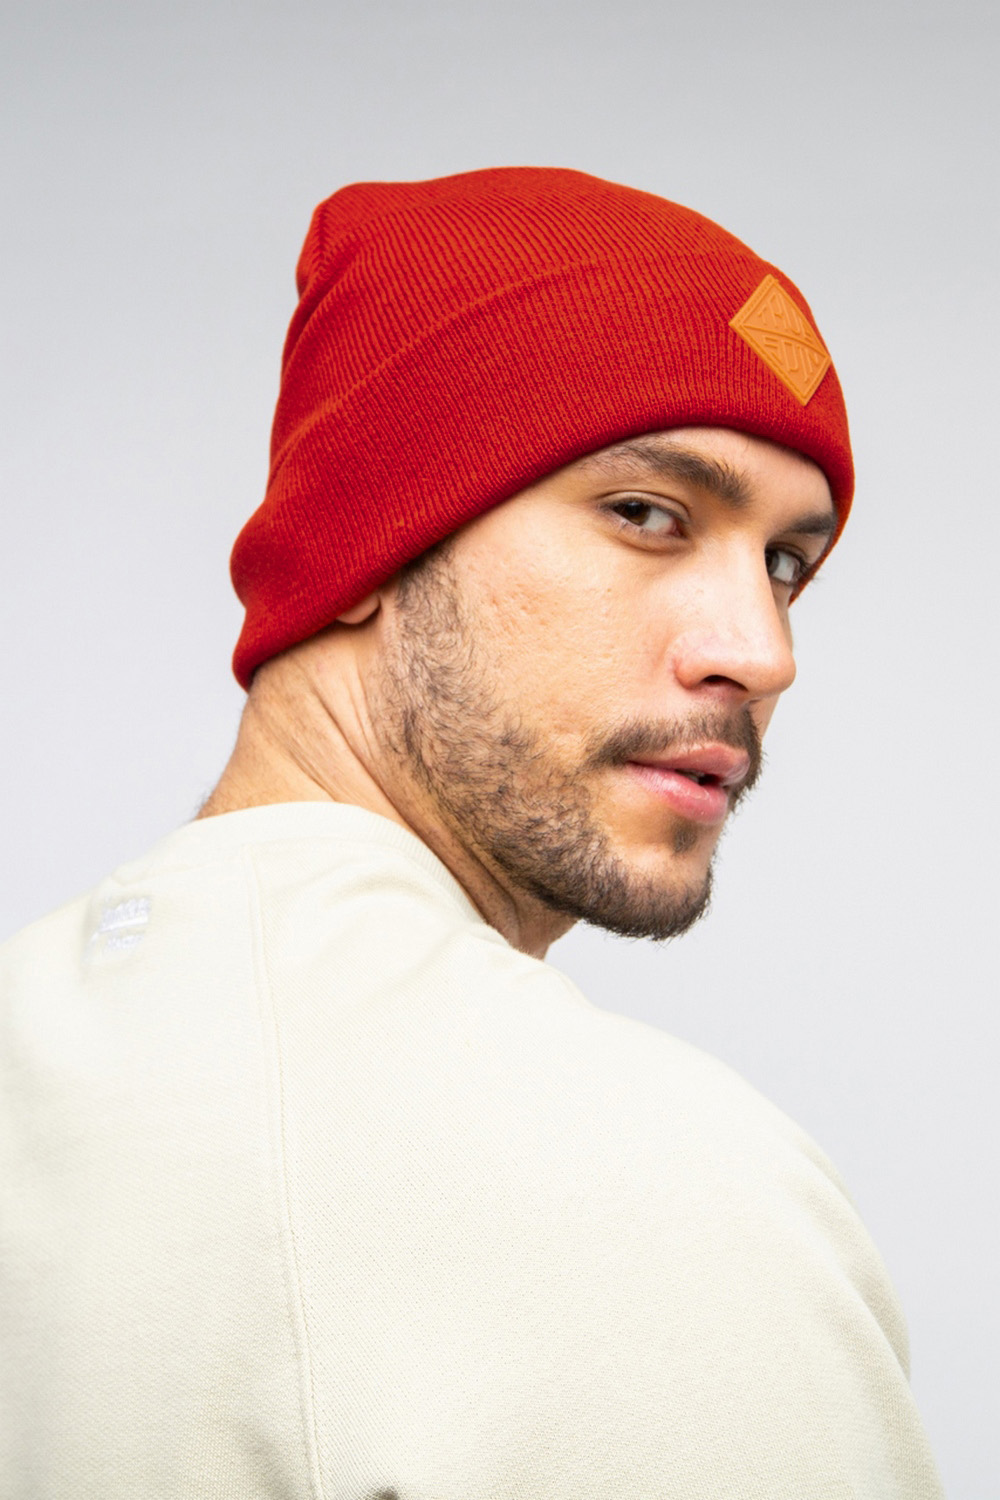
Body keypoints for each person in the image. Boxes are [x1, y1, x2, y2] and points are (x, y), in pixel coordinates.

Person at [0, 167, 946, 1498]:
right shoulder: (651, 1191)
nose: (763, 651)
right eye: (648, 514)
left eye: (785, 562)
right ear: (369, 540)